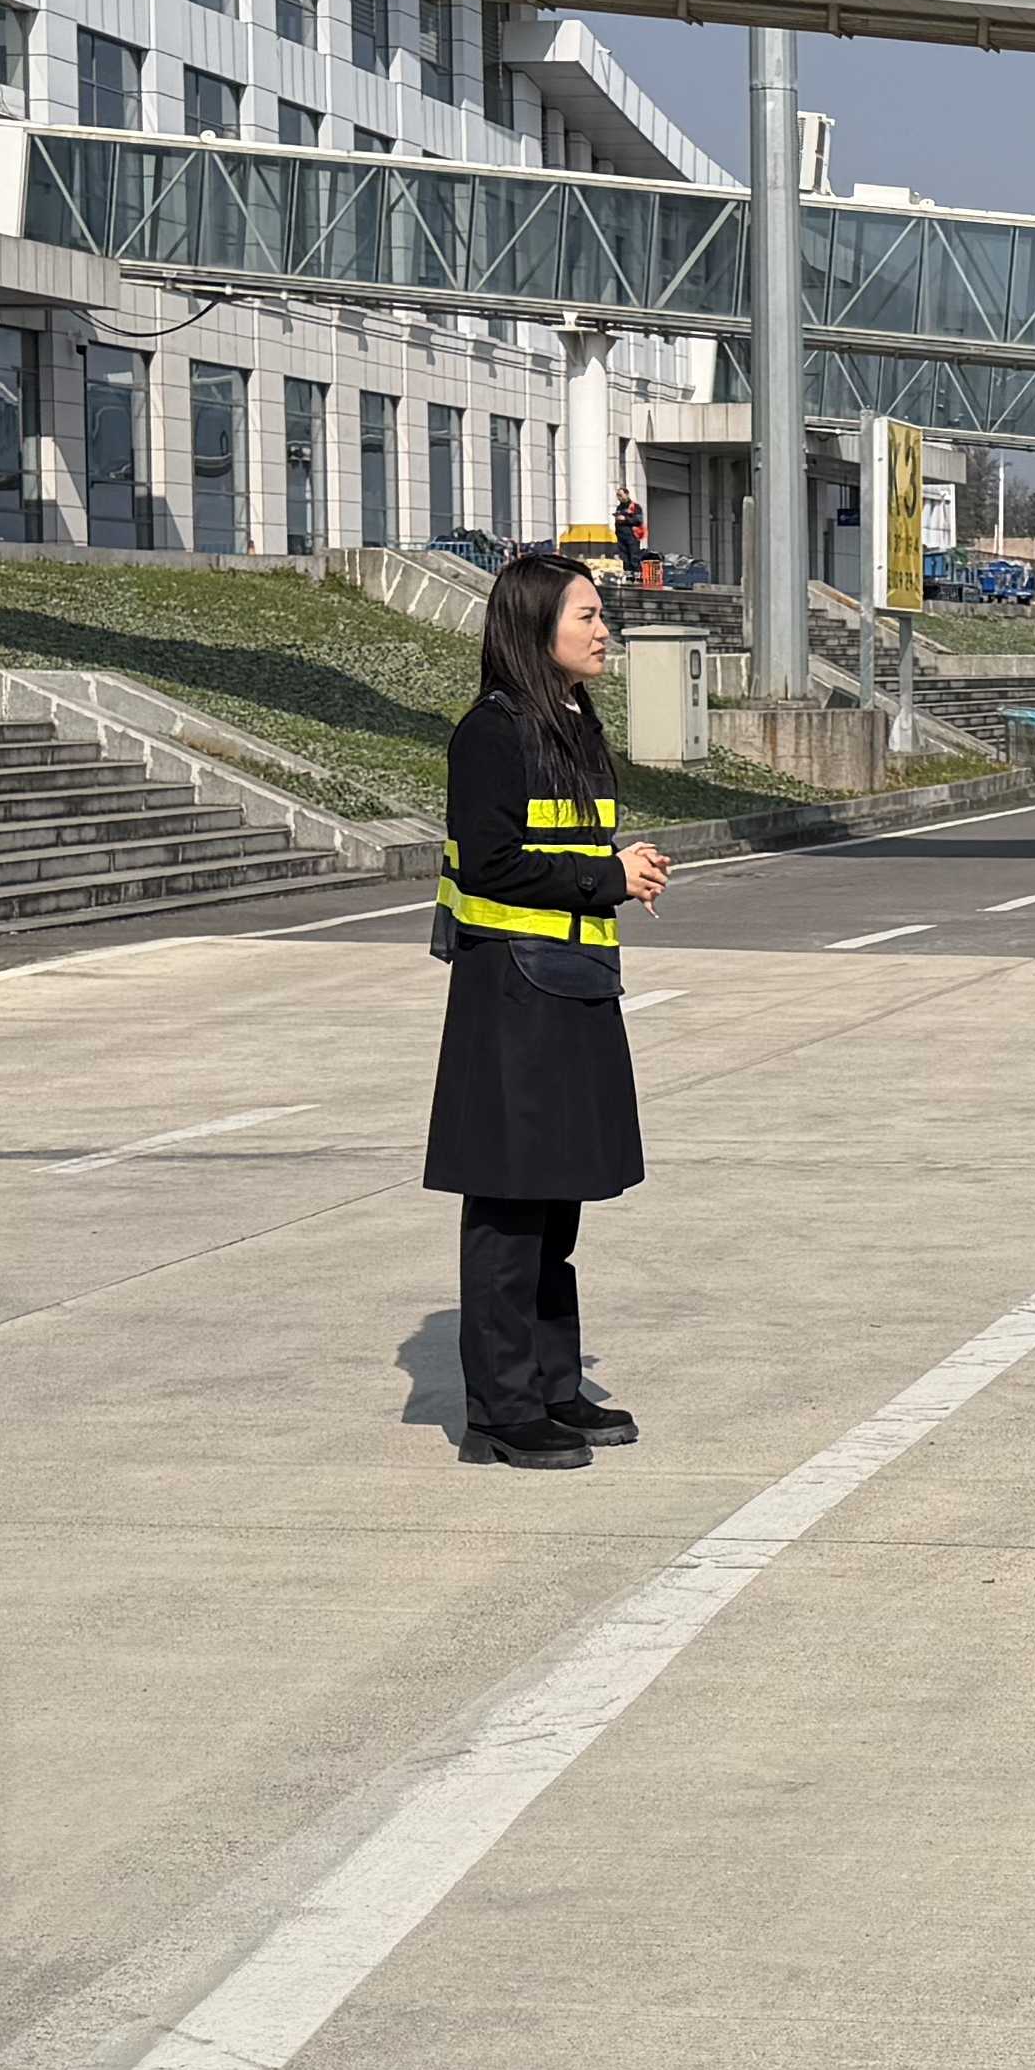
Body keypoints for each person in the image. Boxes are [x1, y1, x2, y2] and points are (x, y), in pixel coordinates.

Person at [425, 544, 673, 1465]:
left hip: (572, 987)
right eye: (587, 616)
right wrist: (605, 876)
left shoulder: (572, 723)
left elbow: (560, 853)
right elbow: (490, 864)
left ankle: (552, 1388)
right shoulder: (491, 734)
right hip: (511, 996)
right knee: (510, 1208)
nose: (604, 630)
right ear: (537, 628)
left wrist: (619, 870)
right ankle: (500, 1410)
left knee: (557, 1204)